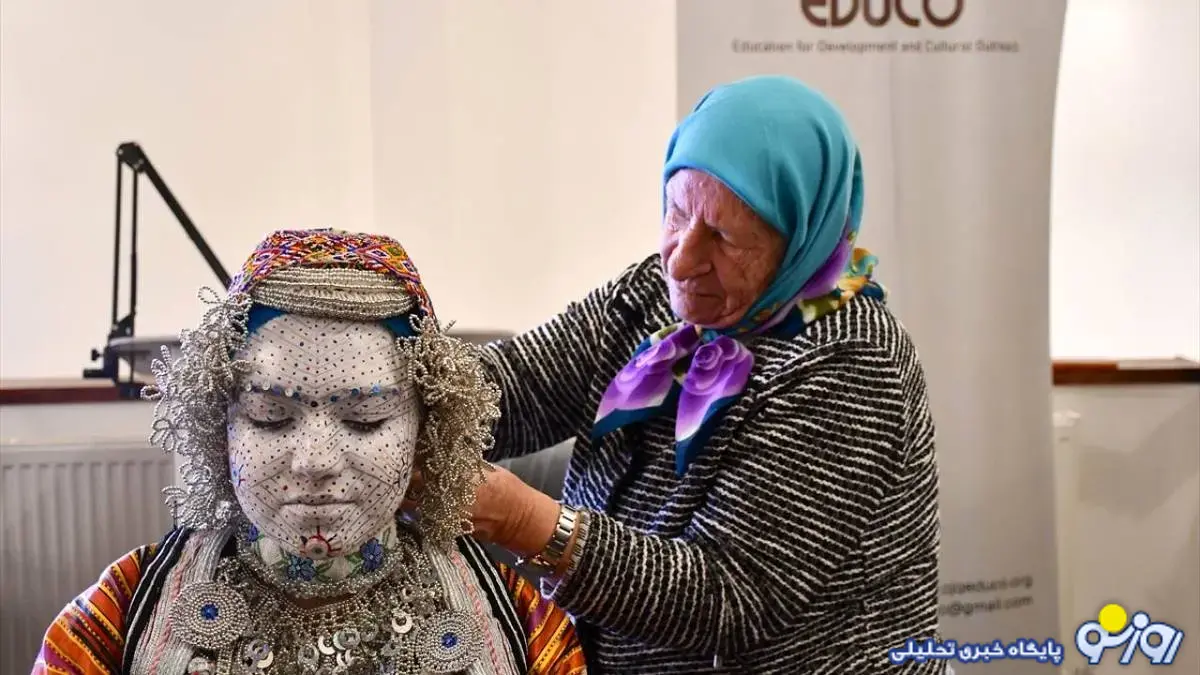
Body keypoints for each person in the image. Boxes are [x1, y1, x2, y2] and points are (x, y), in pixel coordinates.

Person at [455, 75, 944, 672]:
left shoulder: (852, 362)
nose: (682, 260)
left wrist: (526, 522)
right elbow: (513, 387)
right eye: (677, 213)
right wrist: (393, 396)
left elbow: (731, 597)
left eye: (725, 237)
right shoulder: (652, 296)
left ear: (801, 238)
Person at [32, 229, 588, 675]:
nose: (315, 461)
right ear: (220, 426)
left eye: (366, 419)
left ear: (425, 429)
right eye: (269, 417)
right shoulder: (114, 619)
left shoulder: (524, 629)